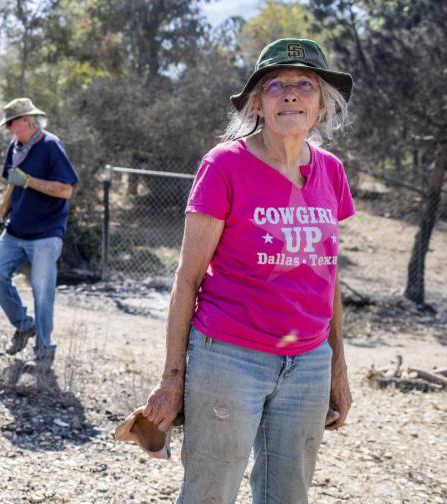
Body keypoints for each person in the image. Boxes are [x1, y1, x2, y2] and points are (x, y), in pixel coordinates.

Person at [141, 38, 355, 503]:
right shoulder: (224, 166)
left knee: (288, 494)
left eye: (306, 85)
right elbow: (187, 279)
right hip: (229, 357)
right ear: (257, 102)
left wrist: (337, 367)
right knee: (210, 493)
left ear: (322, 105)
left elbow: (329, 278)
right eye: (276, 85)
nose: (292, 94)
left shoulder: (332, 172)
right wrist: (172, 378)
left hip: (309, 364)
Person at [0, 98, 79, 363]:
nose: (9, 129)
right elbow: (11, 187)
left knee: (42, 288)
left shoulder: (50, 146)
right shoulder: (15, 147)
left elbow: (66, 189)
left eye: (11, 123)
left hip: (47, 233)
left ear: (27, 121)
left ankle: (44, 348)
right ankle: (23, 324)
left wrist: (29, 181)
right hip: (16, 230)